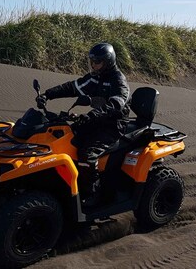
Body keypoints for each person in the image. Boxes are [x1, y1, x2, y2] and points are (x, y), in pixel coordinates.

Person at [36, 43, 131, 205]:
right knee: (67, 137)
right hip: (96, 120)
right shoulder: (95, 77)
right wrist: (48, 94)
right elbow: (73, 87)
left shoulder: (118, 80)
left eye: (97, 62)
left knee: (88, 153)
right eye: (92, 62)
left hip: (113, 125)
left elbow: (117, 103)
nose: (93, 65)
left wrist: (93, 114)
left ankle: (93, 191)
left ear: (108, 61)